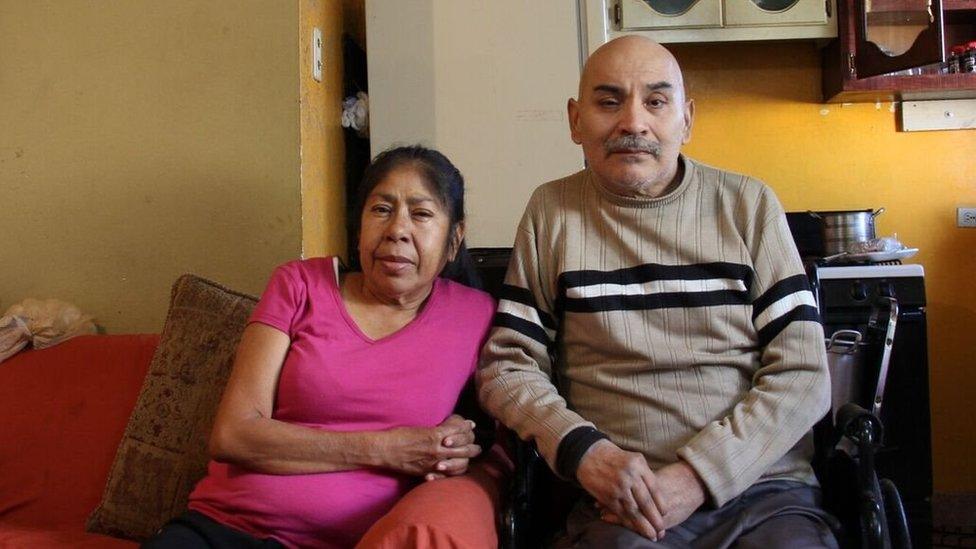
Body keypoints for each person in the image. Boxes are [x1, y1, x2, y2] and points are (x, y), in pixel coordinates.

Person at [477, 36, 837, 548]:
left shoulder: (747, 205)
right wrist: (587, 455)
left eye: (655, 101)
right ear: (576, 120)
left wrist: (697, 476)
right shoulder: (552, 213)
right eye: (608, 102)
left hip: (764, 492)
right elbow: (508, 368)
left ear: (686, 118)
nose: (633, 123)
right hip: (620, 504)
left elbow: (803, 374)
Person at [144, 146, 497, 549]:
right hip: (223, 528)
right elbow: (232, 435)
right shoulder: (299, 284)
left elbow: (501, 428)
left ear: (455, 238)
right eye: (381, 209)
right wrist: (388, 448)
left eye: (421, 214)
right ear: (358, 226)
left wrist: (466, 442)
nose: (397, 229)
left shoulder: (475, 316)